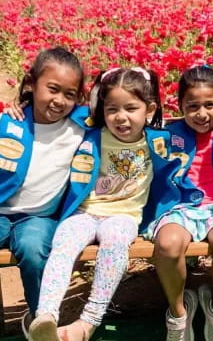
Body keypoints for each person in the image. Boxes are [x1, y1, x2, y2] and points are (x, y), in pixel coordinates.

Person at [0, 47, 92, 341]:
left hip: (39, 216)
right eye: (52, 89)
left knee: (35, 252)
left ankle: (40, 319)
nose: (59, 100)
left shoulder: (79, 127)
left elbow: (110, 95)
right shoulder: (8, 124)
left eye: (70, 94)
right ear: (31, 84)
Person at [28, 67, 168, 341]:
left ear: (148, 109)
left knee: (115, 242)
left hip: (124, 216)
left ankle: (89, 320)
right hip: (86, 211)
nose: (121, 117)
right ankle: (46, 315)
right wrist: (23, 103)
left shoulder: (157, 140)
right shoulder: (91, 133)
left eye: (131, 108)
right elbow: (59, 109)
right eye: (112, 108)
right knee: (64, 243)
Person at [143, 65, 213, 341]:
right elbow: (115, 122)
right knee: (168, 244)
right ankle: (178, 313)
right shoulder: (166, 134)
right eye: (193, 105)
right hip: (178, 206)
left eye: (210, 105)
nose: (202, 113)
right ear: (180, 105)